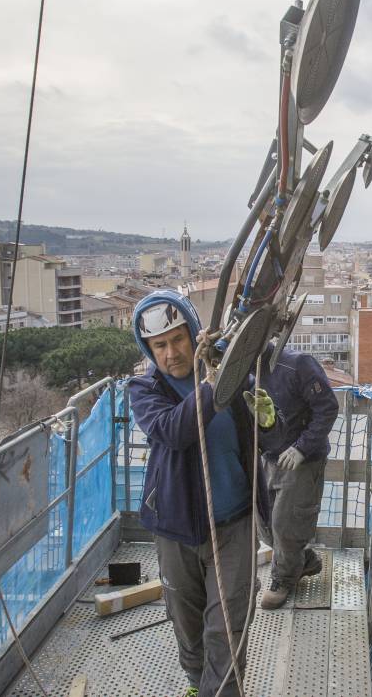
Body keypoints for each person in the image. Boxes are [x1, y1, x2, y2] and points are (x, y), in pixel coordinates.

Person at [128, 290, 282, 697]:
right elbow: (174, 431)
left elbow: (267, 442)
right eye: (158, 345)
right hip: (176, 528)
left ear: (194, 334)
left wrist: (268, 421)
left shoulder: (231, 381)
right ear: (148, 349)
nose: (171, 353)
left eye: (177, 339)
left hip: (234, 525)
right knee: (188, 626)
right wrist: (218, 381)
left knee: (227, 629)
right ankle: (200, 685)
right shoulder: (144, 390)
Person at [256, 344, 339, 609]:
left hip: (301, 461)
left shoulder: (298, 364)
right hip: (267, 456)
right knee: (265, 525)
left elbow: (327, 408)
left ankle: (283, 579)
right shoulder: (245, 371)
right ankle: (303, 560)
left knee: (286, 525)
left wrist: (302, 447)